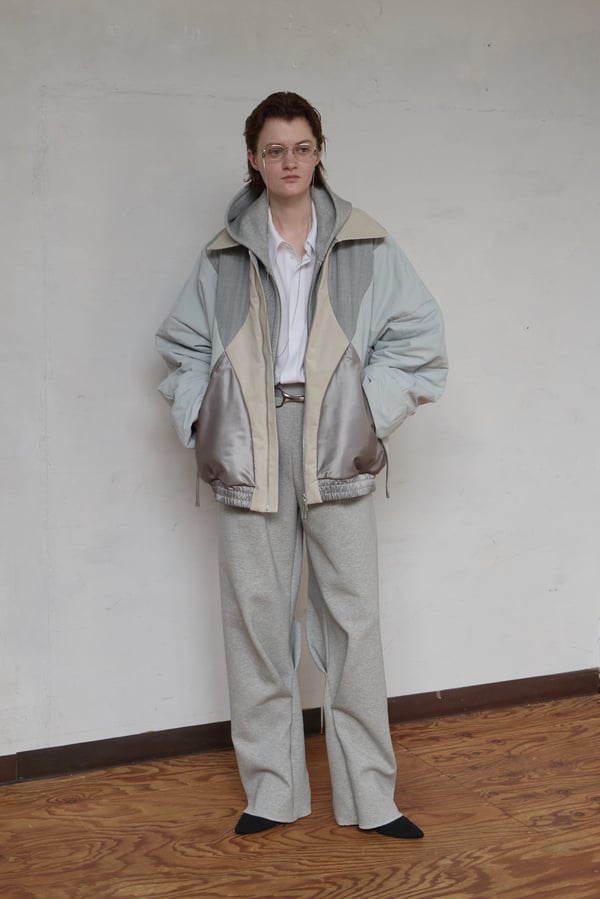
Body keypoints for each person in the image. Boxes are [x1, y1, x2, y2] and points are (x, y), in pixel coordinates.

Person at [156, 91, 448, 839]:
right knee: (256, 617)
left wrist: (366, 410)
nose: (290, 161)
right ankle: (273, 791)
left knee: (353, 619)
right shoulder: (223, 254)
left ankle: (372, 797)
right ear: (253, 159)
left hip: (335, 435)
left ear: (319, 153)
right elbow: (183, 346)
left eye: (302, 147)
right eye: (275, 149)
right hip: (250, 440)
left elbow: (418, 339)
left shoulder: (365, 244)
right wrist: (207, 415)